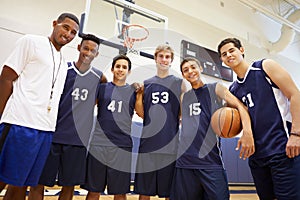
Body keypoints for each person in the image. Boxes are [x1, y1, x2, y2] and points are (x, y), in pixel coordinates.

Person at [0, 12, 79, 200]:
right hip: (20, 123)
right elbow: (6, 78)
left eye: (73, 32)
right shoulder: (31, 42)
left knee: (22, 183)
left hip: (45, 130)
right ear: (54, 24)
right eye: (65, 28)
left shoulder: (62, 60)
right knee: (3, 177)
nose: (68, 34)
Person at [217, 37, 300, 199]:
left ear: (241, 50)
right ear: (222, 60)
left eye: (231, 50)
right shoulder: (233, 90)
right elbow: (234, 121)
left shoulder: (264, 67)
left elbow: (295, 94)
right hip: (257, 156)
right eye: (224, 54)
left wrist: (296, 134)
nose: (228, 55)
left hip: (283, 149)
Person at [28, 33, 107, 200]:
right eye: (86, 48)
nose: (88, 53)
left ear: (97, 54)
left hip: (77, 141)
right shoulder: (64, 69)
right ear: (79, 48)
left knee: (68, 187)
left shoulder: (99, 77)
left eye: (93, 51)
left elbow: (106, 94)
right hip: (53, 135)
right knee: (38, 182)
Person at [170, 57, 255, 200]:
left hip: (210, 161)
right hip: (185, 161)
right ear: (183, 75)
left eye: (193, 67)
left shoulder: (215, 88)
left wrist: (247, 132)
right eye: (185, 70)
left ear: (200, 68)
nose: (190, 71)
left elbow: (240, 106)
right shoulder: (184, 97)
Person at [82, 54, 143, 200]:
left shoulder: (133, 92)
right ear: (112, 69)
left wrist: (140, 94)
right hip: (99, 144)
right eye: (118, 66)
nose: (120, 70)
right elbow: (88, 106)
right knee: (93, 190)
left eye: (124, 67)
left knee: (120, 192)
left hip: (122, 146)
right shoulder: (102, 88)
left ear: (128, 72)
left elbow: (141, 113)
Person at [133, 44, 187, 200]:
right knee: (144, 191)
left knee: (169, 192)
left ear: (171, 60)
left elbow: (182, 114)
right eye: (161, 56)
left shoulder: (179, 83)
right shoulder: (147, 83)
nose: (164, 59)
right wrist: (139, 95)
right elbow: (142, 113)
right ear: (155, 58)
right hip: (148, 144)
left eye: (167, 57)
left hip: (170, 145)